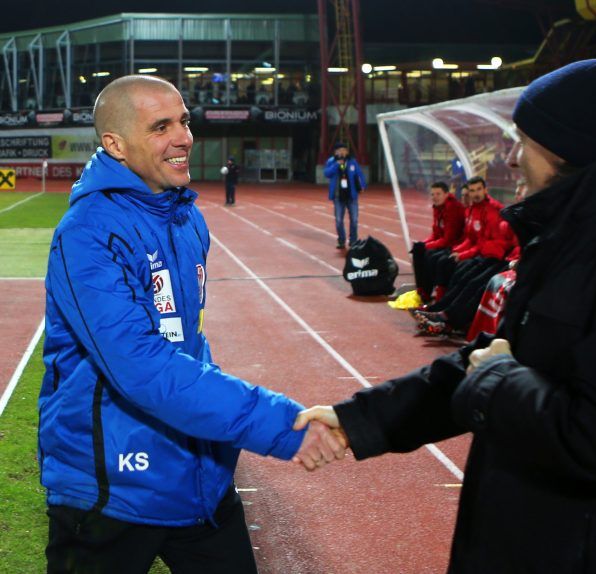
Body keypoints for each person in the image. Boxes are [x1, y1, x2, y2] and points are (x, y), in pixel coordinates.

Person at [294, 59, 596, 573]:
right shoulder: (576, 238)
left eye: (522, 141)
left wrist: (497, 378)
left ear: (564, 148)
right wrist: (359, 421)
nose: (511, 155)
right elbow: (490, 361)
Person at [38, 75, 345, 574]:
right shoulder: (87, 234)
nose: (183, 136)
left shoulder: (184, 217)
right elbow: (144, 368)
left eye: (183, 120)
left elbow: (187, 341)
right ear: (115, 144)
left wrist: (216, 440)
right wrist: (278, 425)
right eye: (161, 126)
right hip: (112, 488)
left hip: (198, 476)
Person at [411, 181, 465, 303]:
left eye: (438, 194)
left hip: (454, 245)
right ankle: (422, 290)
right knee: (418, 250)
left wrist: (426, 246)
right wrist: (423, 244)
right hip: (445, 243)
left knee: (432, 256)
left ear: (446, 194)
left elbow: (448, 239)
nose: (434, 197)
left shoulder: (453, 208)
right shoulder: (438, 208)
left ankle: (437, 294)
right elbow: (435, 234)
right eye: (432, 194)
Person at [323, 142, 366, 249]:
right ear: (335, 152)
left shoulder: (352, 162)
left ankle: (353, 240)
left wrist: (362, 186)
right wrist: (337, 165)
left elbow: (359, 174)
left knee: (354, 219)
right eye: (339, 150)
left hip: (351, 195)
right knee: (338, 220)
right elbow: (327, 173)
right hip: (338, 196)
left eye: (344, 150)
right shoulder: (331, 161)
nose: (342, 152)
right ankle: (341, 240)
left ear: (347, 151)